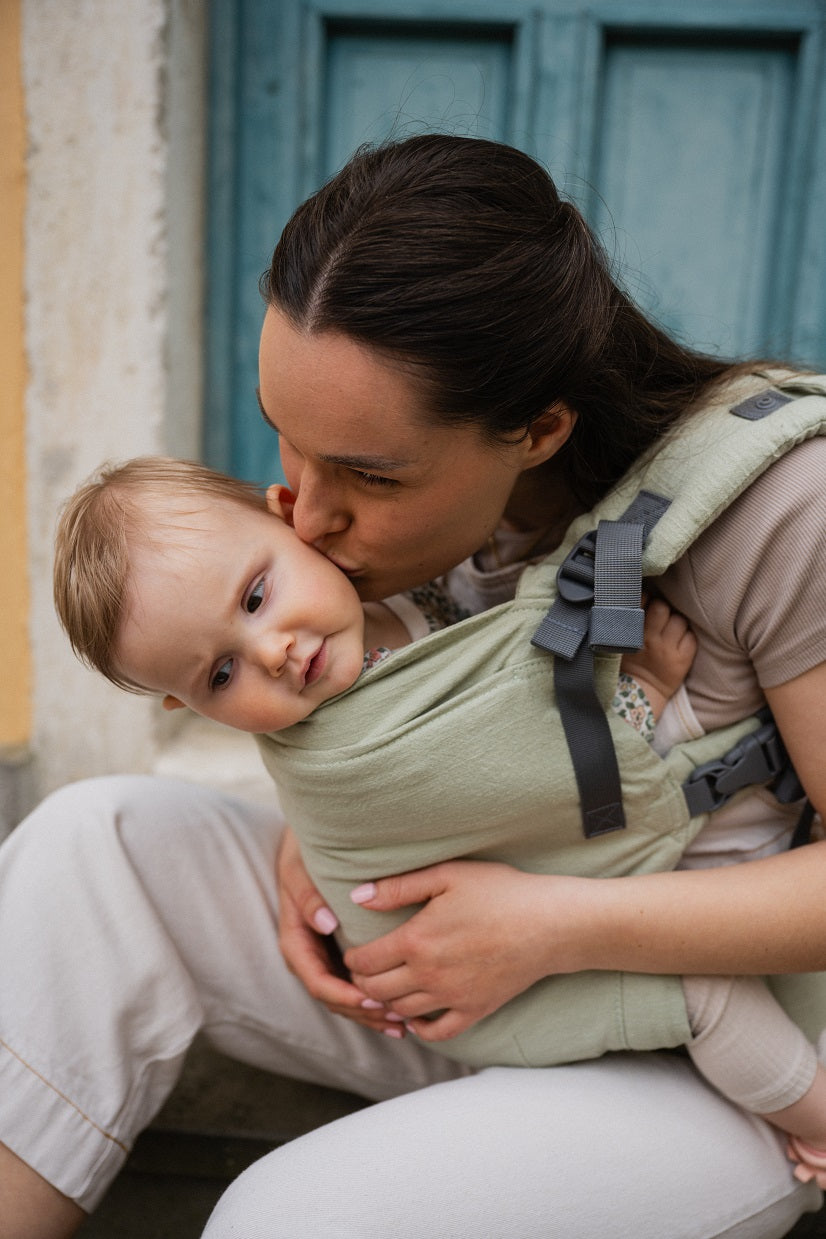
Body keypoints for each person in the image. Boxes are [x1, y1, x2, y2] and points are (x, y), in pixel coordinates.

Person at [2, 133, 826, 1239]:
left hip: (714, 1051)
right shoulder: (362, 546)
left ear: (537, 431)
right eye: (290, 448)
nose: (309, 512)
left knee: (281, 1220)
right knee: (88, 842)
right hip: (450, 990)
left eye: (369, 475)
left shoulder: (783, 512)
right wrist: (323, 837)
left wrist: (551, 926)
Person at [51, 454, 826, 1186]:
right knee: (709, 995)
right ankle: (812, 1117)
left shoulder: (398, 595)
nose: (274, 651)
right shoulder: (344, 737)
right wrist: (645, 689)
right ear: (193, 709)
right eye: (222, 673)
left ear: (290, 520)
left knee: (724, 706)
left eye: (256, 597)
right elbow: (537, 764)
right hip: (484, 986)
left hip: (535, 900)